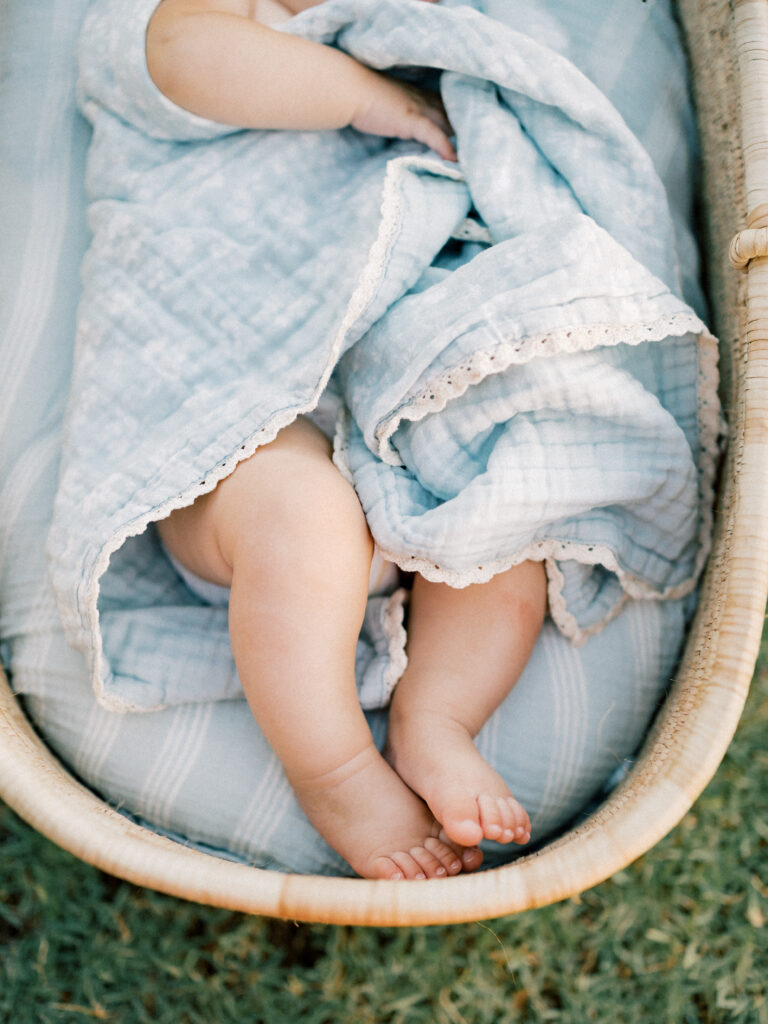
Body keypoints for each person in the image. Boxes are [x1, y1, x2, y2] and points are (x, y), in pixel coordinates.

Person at [146, 0, 548, 881]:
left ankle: (434, 718)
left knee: (519, 500)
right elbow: (183, 55)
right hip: (241, 426)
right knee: (301, 517)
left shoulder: (428, 42)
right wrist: (364, 95)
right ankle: (332, 767)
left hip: (402, 406)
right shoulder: (178, 25)